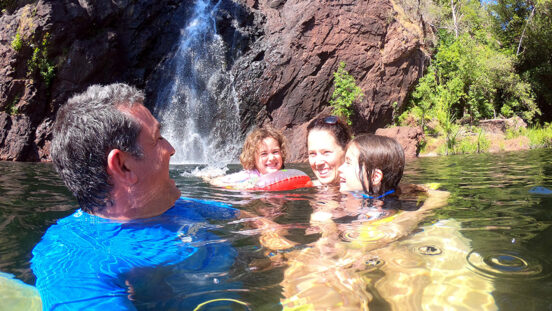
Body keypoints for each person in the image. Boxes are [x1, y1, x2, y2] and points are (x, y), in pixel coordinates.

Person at [31, 83, 292, 310]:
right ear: (123, 166)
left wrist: (282, 252)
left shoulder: (176, 206)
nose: (172, 149)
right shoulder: (72, 261)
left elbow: (247, 217)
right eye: (157, 139)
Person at [207, 127, 287, 189]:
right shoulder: (249, 176)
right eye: (264, 154)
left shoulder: (286, 174)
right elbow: (216, 182)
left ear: (281, 153)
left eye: (275, 152)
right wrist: (241, 186)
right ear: (253, 159)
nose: (271, 158)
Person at [306, 115, 352, 187]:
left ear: (346, 150)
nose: (318, 162)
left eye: (326, 152)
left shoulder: (364, 191)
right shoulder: (306, 186)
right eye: (312, 154)